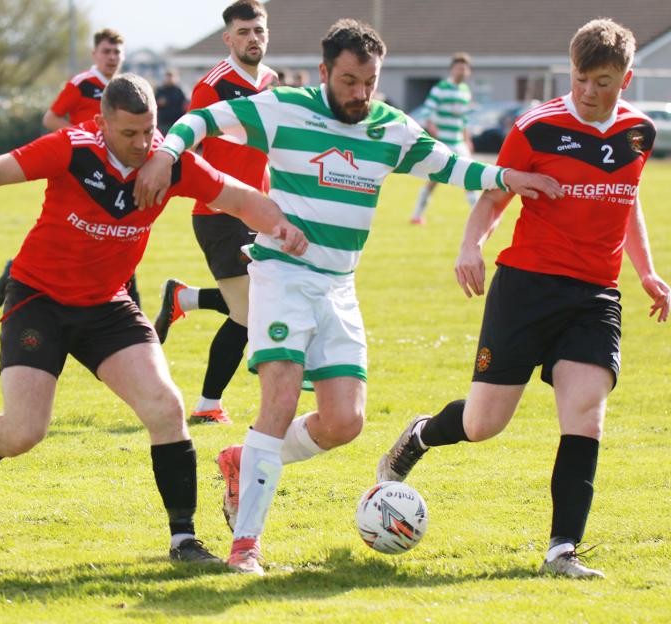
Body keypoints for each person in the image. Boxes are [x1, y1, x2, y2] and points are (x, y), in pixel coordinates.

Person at [135, 19, 562, 575]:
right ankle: (247, 547)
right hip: (282, 275)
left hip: (339, 286)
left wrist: (507, 177)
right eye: (350, 81)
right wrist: (168, 152)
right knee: (280, 399)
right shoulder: (283, 108)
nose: (361, 94)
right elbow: (201, 119)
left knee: (345, 422)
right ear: (324, 74)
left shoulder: (389, 126)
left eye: (370, 82)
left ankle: (244, 459)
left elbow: (451, 166)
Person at [0, 73, 307, 564]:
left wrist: (285, 227)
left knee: (166, 408)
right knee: (22, 431)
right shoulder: (72, 149)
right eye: (129, 134)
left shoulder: (169, 163)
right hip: (40, 299)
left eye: (150, 131)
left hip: (106, 304)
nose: (143, 144)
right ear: (101, 124)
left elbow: (241, 199)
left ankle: (184, 540)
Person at [376, 18, 669, 578]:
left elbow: (627, 202)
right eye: (581, 78)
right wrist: (470, 246)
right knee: (485, 424)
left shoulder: (639, 132)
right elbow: (493, 196)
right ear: (571, 71)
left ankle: (562, 550)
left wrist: (648, 273)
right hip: (527, 288)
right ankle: (418, 435)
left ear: (625, 79)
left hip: (595, 296)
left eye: (602, 81)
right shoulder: (535, 128)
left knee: (586, 414)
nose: (588, 91)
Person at [152, 0, 277, 425]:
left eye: (258, 30)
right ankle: (207, 406)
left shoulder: (271, 81)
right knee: (248, 313)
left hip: (258, 212)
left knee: (265, 299)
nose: (252, 38)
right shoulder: (213, 84)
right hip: (219, 212)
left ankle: (184, 298)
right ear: (228, 38)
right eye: (243, 32)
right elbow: (188, 138)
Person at [0, 29, 140, 308]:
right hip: (82, 171)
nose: (112, 57)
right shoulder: (83, 83)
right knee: (99, 231)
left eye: (117, 52)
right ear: (94, 54)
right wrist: (85, 144)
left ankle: (129, 308)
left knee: (116, 232)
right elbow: (51, 118)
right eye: (106, 51)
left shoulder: (125, 88)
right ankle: (133, 310)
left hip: (116, 171)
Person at [410, 53, 476, 225]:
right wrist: (432, 129)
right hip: (444, 141)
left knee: (470, 177)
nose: (461, 71)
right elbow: (427, 111)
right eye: (459, 67)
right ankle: (417, 215)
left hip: (458, 143)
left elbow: (466, 119)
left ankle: (477, 217)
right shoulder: (440, 88)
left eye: (464, 68)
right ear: (452, 69)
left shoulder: (465, 91)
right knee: (434, 180)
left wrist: (467, 139)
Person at [155, 69, 189, 136]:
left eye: (171, 76)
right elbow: (156, 102)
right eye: (168, 77)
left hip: (177, 122)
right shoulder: (160, 90)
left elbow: (185, 104)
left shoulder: (180, 90)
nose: (170, 79)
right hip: (163, 123)